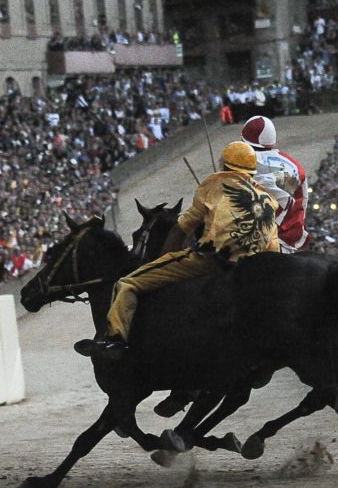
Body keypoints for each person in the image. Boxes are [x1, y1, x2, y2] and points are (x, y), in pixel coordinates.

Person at [74, 141, 279, 359]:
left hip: (210, 262)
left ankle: (114, 340)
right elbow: (273, 246)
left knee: (126, 283)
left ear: (225, 164)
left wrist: (167, 257)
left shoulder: (213, 185)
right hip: (252, 269)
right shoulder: (267, 199)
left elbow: (182, 228)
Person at [240, 116, 309, 252]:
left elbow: (280, 201)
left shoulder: (248, 163)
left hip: (268, 241)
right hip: (293, 240)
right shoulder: (293, 165)